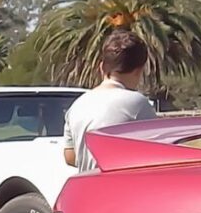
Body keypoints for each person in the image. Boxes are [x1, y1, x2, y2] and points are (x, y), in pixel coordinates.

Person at [61, 29, 155, 169]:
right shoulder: (138, 103)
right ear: (138, 71)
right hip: (121, 187)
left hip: (86, 187)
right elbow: (155, 151)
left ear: (101, 67)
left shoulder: (77, 105)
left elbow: (69, 156)